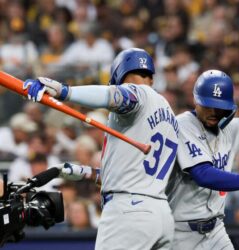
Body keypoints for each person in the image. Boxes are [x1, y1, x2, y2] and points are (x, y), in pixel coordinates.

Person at [55, 70, 239, 250]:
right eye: (207, 106)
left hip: (215, 229)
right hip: (181, 233)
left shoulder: (229, 128)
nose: (212, 113)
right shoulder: (181, 125)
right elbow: (204, 175)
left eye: (220, 108)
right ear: (195, 101)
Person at [23, 48, 179, 250]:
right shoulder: (169, 113)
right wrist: (89, 173)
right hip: (162, 215)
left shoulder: (138, 93)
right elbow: (136, 173)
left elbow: (115, 96)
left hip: (129, 212)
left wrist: (64, 91)